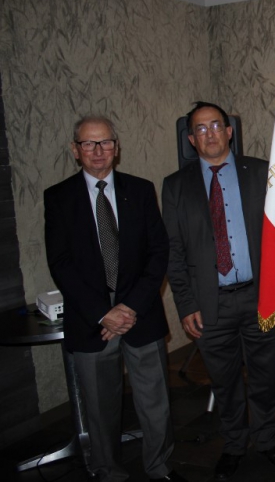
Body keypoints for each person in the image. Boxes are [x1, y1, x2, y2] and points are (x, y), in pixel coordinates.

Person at [44, 116, 184, 482]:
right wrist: (103, 313)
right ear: (76, 150)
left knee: (155, 404)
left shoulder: (140, 190)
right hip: (92, 322)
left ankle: (159, 467)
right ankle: (108, 472)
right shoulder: (58, 198)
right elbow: (60, 264)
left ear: (116, 148)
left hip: (141, 315)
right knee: (100, 408)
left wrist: (129, 307)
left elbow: (158, 253)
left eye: (104, 142)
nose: (97, 151)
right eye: (88, 144)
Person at [162, 102, 275, 480]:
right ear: (191, 139)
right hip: (209, 303)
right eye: (200, 129)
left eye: (216, 125)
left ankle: (268, 439)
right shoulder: (175, 185)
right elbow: (173, 249)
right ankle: (235, 444)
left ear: (229, 130)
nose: (210, 134)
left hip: (259, 297)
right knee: (225, 381)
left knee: (265, 375)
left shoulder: (261, 173)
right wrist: (185, 304)